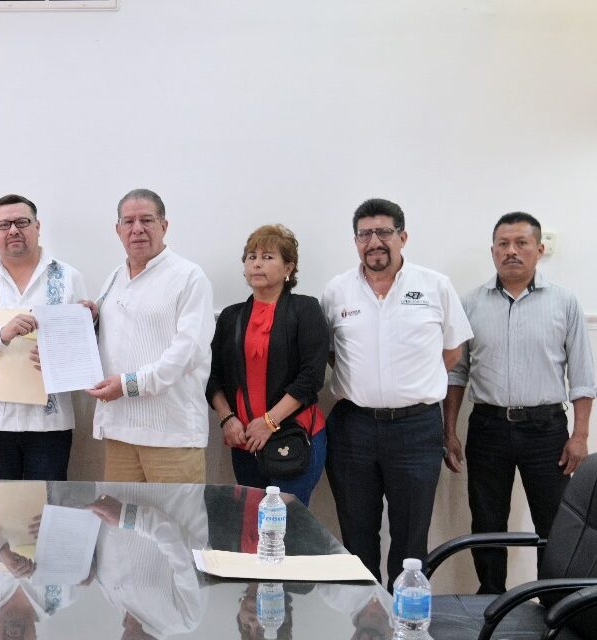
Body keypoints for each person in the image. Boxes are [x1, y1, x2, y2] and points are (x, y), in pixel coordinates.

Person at [320, 197, 472, 586]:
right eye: (365, 234)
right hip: (353, 428)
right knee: (357, 536)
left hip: (416, 429)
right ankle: (365, 622)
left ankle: (404, 621)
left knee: (410, 539)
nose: (374, 241)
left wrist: (413, 383)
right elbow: (330, 354)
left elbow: (453, 352)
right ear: (355, 241)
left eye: (384, 232)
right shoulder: (336, 291)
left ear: (402, 237)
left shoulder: (435, 285)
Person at [443, 212, 593, 594]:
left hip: (546, 431)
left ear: (539, 250)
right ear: (492, 251)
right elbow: (457, 375)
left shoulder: (564, 303)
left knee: (554, 524)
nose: (512, 251)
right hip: (488, 428)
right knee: (487, 521)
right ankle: (490, 599)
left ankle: (553, 603)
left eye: (521, 243)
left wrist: (580, 435)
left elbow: (582, 377)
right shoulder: (471, 304)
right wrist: (449, 431)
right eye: (503, 244)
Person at [0, 194, 91, 480]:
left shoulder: (68, 277)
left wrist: (83, 329)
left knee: (46, 516)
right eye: (3, 225)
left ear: (37, 226)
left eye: (22, 222)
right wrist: (0, 335)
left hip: (50, 426)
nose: (13, 230)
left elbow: (83, 353)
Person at [89, 189, 215, 483]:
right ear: (117, 229)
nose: (137, 229)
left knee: (175, 528)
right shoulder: (114, 278)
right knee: (120, 526)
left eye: (147, 220)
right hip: (119, 430)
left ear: (164, 226)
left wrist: (129, 384)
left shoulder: (188, 277)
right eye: (128, 221)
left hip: (172, 435)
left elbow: (187, 354)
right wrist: (88, 321)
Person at [207, 225, 329, 506]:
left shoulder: (305, 309)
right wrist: (227, 419)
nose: (257, 263)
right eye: (251, 256)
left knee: (285, 528)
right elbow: (213, 377)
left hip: (295, 435)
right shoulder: (230, 316)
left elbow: (310, 378)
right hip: (245, 440)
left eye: (268, 256)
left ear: (289, 267)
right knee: (252, 526)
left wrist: (269, 422)